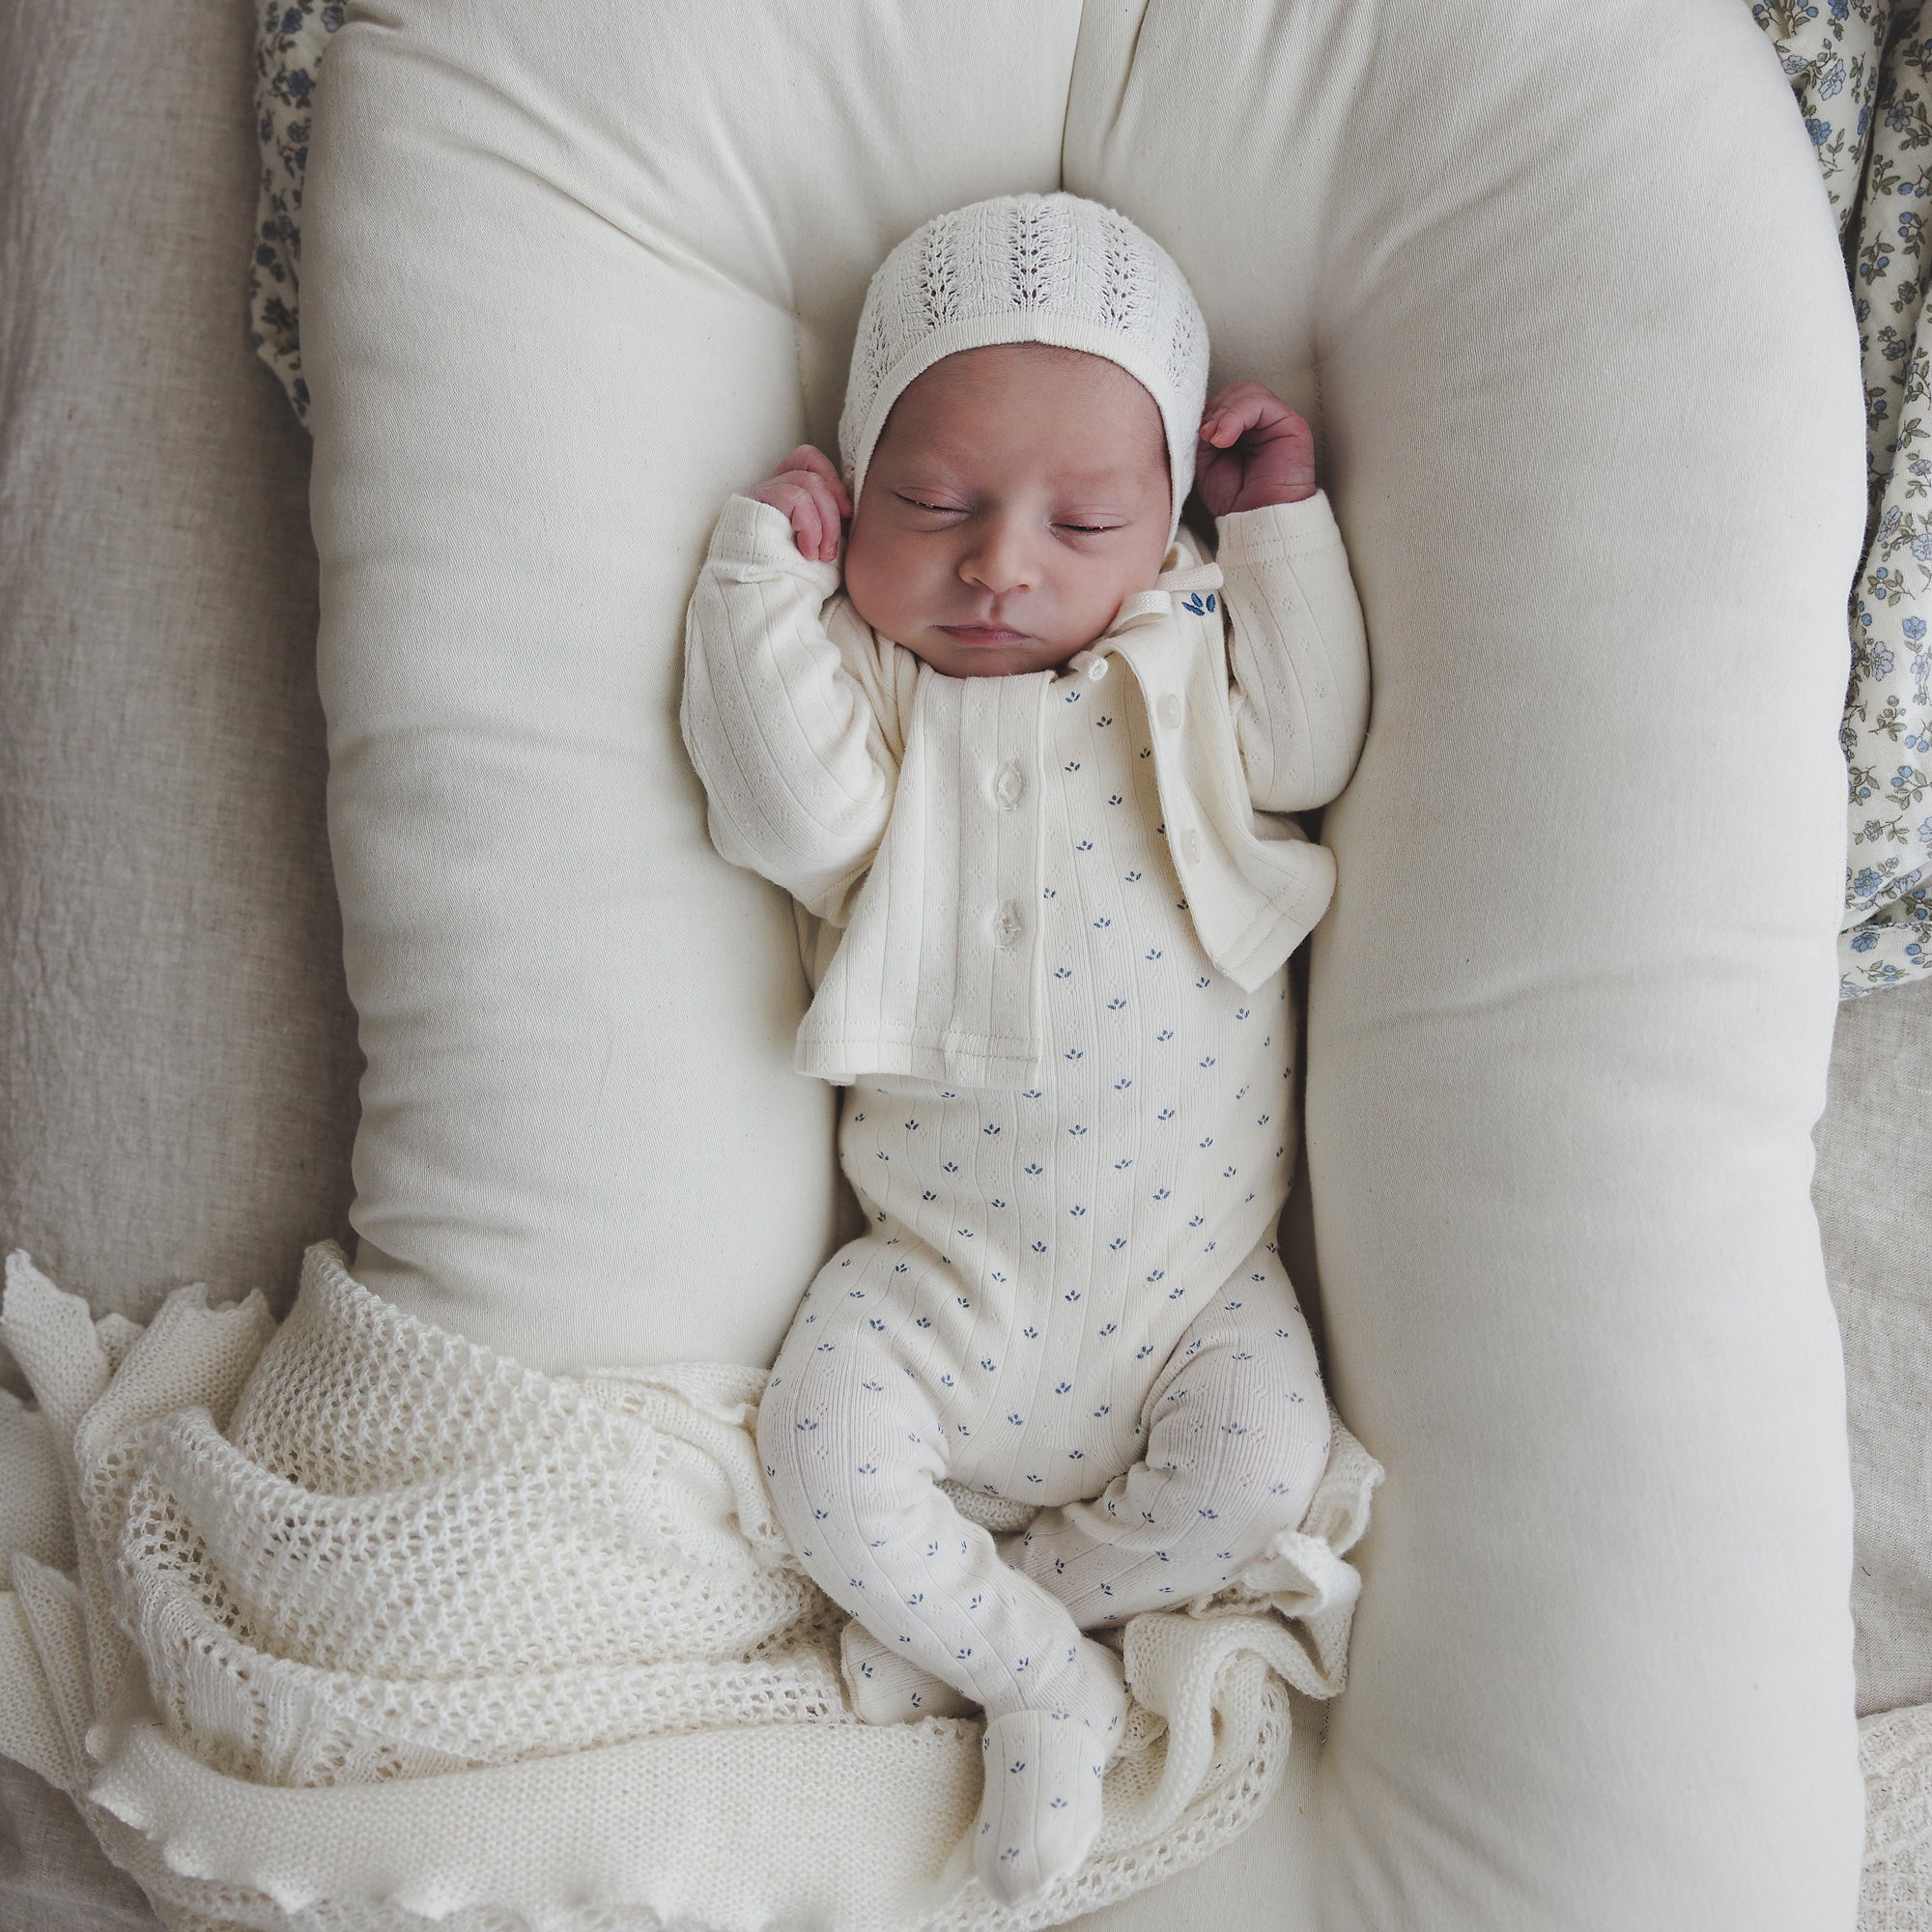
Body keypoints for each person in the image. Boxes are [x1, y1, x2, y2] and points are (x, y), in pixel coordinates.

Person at [680, 190, 1370, 1906]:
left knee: (1266, 1465)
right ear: (860, 491)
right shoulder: (877, 680)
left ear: (1164, 522)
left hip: (1195, 1284)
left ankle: (1012, 1611)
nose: (1000, 564)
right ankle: (1042, 1682)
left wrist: (1278, 525)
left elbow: (1311, 747)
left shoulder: (1185, 635)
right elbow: (786, 814)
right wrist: (759, 583)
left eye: (1083, 520)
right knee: (817, 1450)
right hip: (936, 1283)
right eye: (931, 505)